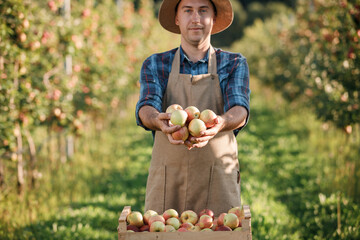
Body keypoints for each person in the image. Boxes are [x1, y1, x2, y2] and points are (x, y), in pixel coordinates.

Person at [135, 0, 250, 216]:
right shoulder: (156, 64)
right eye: (188, 11)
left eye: (203, 11)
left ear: (213, 19)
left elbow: (240, 108)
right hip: (169, 181)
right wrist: (158, 120)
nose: (196, 18)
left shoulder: (233, 63)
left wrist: (221, 123)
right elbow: (146, 106)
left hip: (218, 180)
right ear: (177, 18)